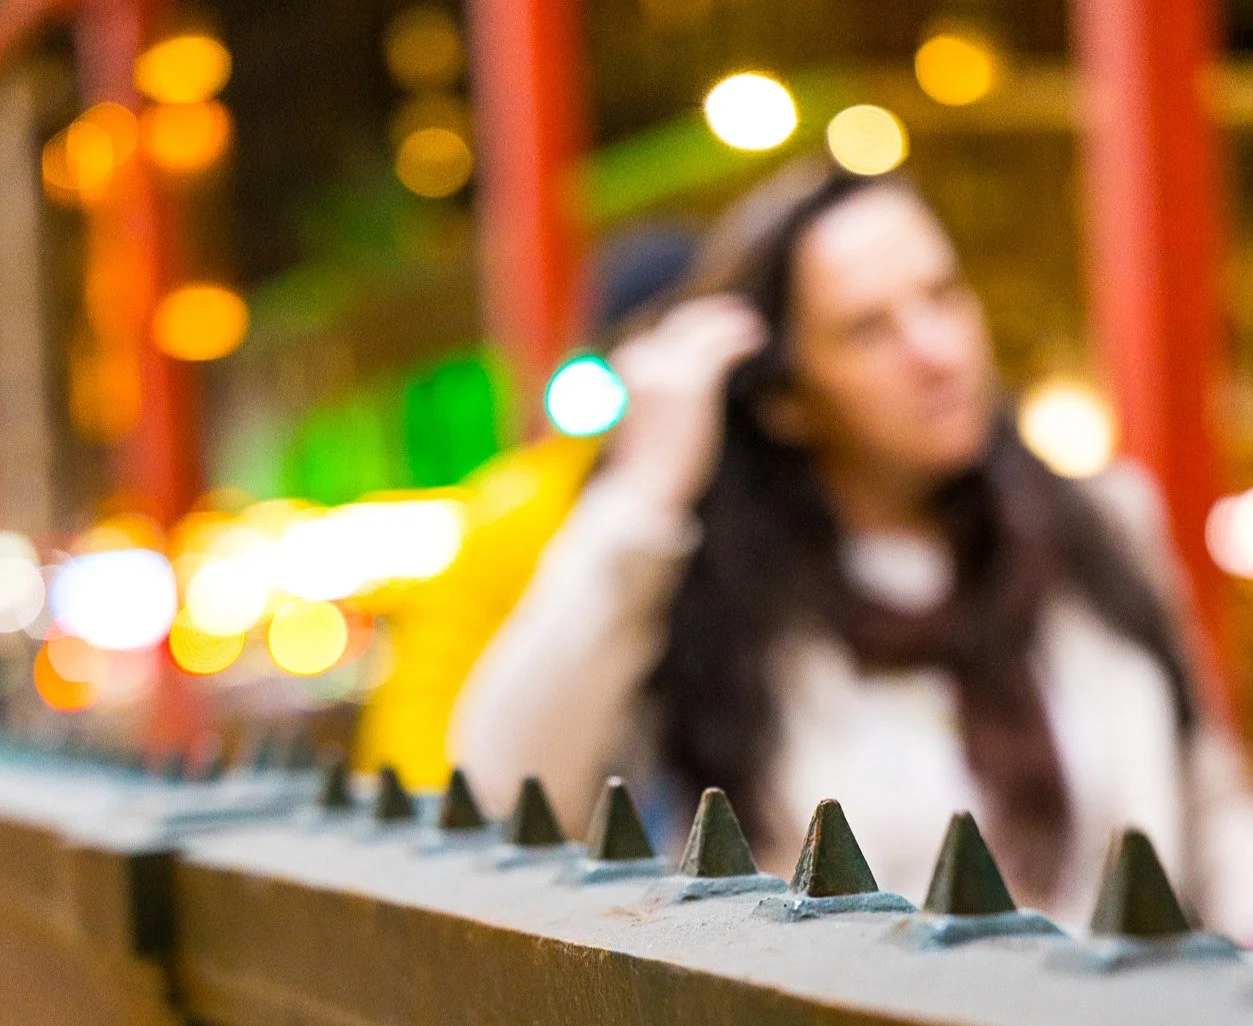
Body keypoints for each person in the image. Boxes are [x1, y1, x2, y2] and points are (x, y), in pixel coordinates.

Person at [450, 159, 1253, 935]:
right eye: (868, 330)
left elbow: (1208, 803)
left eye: (942, 294)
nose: (936, 353)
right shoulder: (720, 597)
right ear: (787, 399)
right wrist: (643, 494)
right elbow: (501, 788)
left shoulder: (1099, 525)